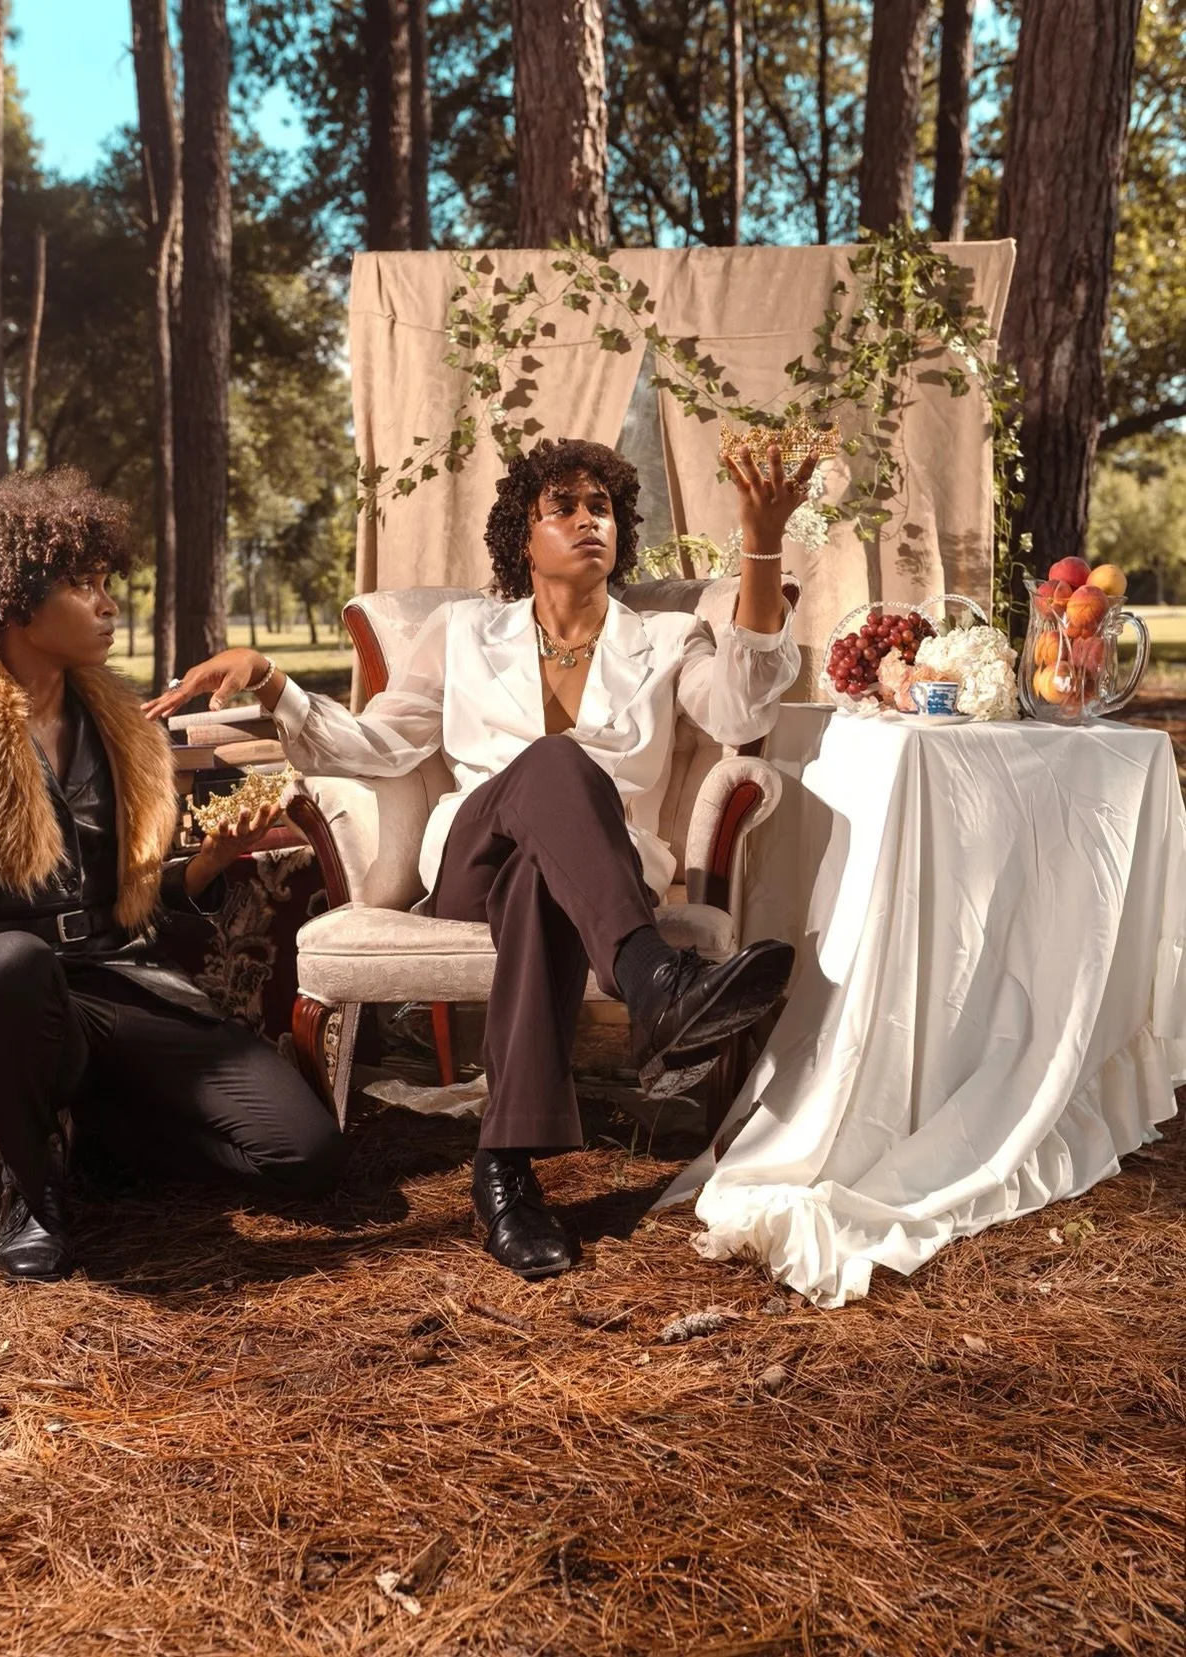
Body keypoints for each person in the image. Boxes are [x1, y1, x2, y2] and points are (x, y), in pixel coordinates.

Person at [148, 437, 814, 1280]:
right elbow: (378, 743)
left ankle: (503, 1172)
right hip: (472, 863)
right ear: (522, 538)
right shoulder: (463, 631)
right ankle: (652, 978)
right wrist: (274, 682)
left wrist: (762, 543)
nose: (588, 521)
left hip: (596, 877)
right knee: (556, 761)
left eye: (601, 507)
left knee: (544, 877)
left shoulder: (671, 637)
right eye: (563, 508)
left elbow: (743, 709)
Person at [0, 469, 345, 1282]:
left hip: (118, 981)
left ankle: (90, 1135)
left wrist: (207, 866)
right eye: (82, 585)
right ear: (16, 601)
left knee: (306, 1154)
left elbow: (138, 902)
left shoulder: (122, 730)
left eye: (105, 581)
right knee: (9, 963)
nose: (108, 603)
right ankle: (34, 1192)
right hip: (1, 1006)